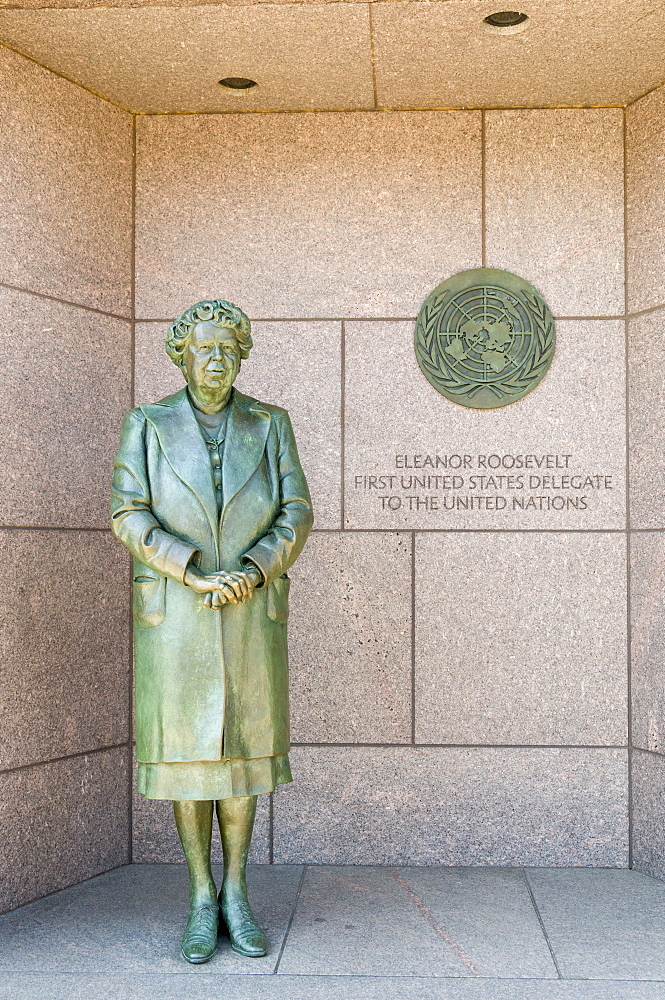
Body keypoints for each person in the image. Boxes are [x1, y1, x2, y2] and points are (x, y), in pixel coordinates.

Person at [110, 299, 313, 964]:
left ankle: (237, 891)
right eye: (204, 348)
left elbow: (296, 510)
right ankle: (200, 893)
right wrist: (191, 571)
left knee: (245, 753)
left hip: (251, 608)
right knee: (188, 755)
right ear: (181, 353)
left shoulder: (270, 423)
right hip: (177, 611)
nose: (217, 359)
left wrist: (253, 571)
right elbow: (128, 512)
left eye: (229, 348)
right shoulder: (147, 424)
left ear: (242, 354)